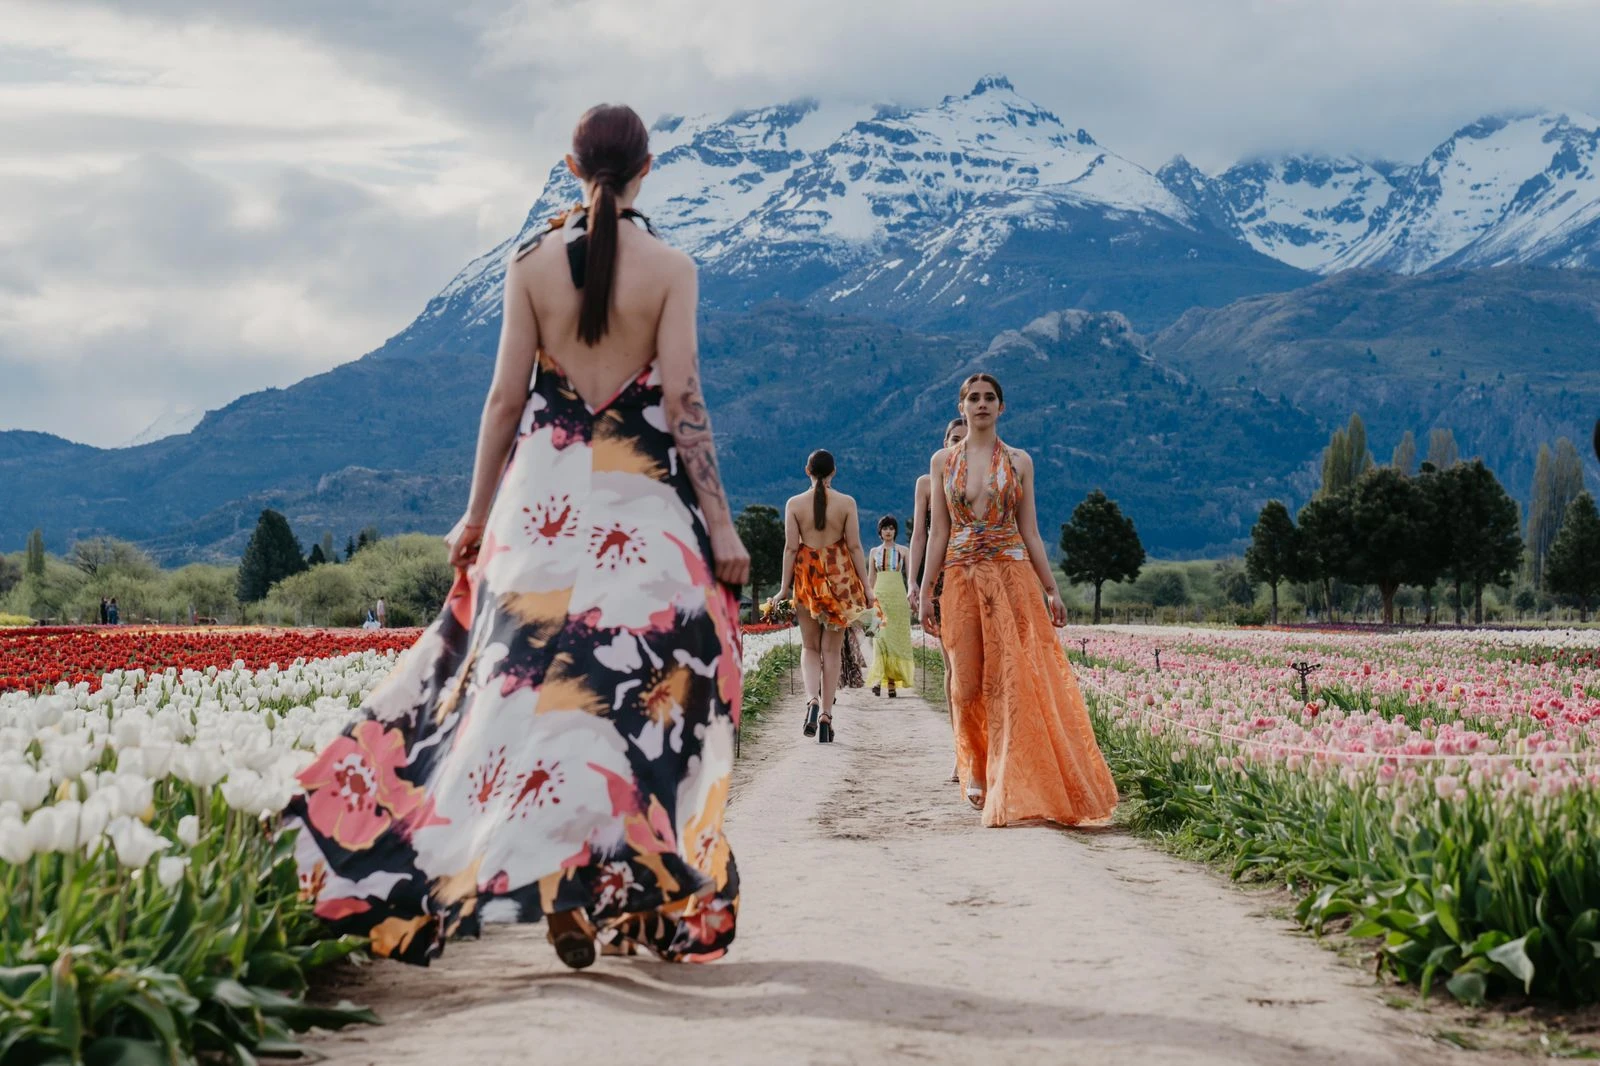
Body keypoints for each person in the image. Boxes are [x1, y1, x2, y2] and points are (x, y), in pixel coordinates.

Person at [285, 103, 750, 971]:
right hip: (638, 513)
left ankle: (539, 882)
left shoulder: (531, 265)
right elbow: (685, 405)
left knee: (516, 697)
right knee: (636, 703)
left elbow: (505, 401)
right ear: (648, 169)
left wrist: (472, 514)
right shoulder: (674, 269)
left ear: (570, 167)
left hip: (541, 509)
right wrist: (720, 526)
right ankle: (614, 885)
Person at [918, 373, 1116, 827]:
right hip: (963, 578)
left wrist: (1052, 589)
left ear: (1001, 407)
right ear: (962, 407)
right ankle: (977, 763)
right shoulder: (943, 462)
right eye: (973, 398)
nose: (982, 404)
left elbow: (1030, 531)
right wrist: (928, 589)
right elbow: (938, 532)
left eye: (990, 398)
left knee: (1012, 680)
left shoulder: (1020, 461)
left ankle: (1002, 777)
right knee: (965, 684)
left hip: (1013, 578)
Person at [776, 449, 872, 744]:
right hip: (839, 578)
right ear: (834, 472)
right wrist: (867, 587)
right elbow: (855, 547)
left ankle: (811, 700)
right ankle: (827, 715)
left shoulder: (794, 504)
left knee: (810, 648)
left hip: (808, 577)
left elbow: (791, 548)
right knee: (831, 652)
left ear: (807, 471)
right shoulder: (846, 503)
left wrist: (784, 588)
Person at [908, 416, 968, 779]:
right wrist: (915, 582)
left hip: (975, 570)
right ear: (944, 441)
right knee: (953, 668)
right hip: (941, 576)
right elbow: (920, 534)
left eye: (964, 439)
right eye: (953, 438)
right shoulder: (928, 482)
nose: (958, 444)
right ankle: (961, 747)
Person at [865, 516, 913, 697]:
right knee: (880, 639)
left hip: (898, 598)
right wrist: (868, 599)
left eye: (891, 528)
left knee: (893, 640)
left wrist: (912, 596)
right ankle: (878, 680)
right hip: (880, 597)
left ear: (895, 531)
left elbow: (909, 578)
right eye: (885, 528)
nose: (888, 531)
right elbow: (871, 578)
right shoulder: (873, 552)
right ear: (880, 531)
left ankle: (891, 684)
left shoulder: (904, 551)